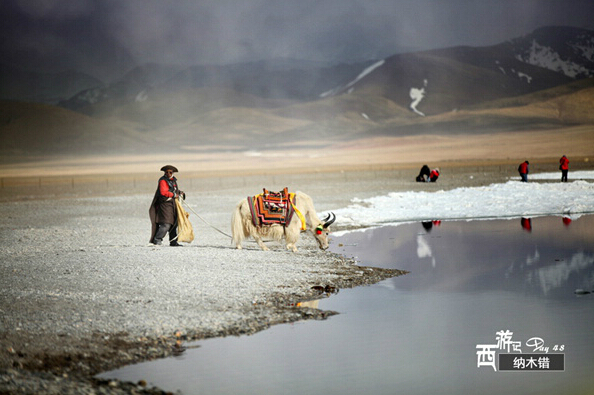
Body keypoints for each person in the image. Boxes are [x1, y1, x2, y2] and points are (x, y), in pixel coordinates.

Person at [149, 165, 186, 246]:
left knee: (174, 223)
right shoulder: (162, 181)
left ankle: (173, 241)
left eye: (170, 172)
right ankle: (157, 240)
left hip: (172, 204)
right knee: (166, 223)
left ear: (173, 173)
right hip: (165, 204)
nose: (168, 173)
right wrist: (173, 195)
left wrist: (179, 192)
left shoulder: (173, 180)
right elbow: (163, 192)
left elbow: (173, 190)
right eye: (166, 172)